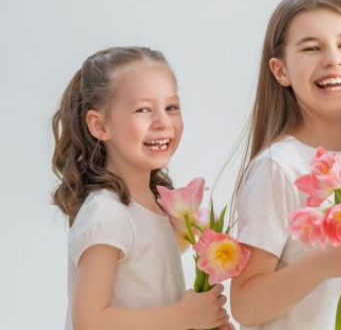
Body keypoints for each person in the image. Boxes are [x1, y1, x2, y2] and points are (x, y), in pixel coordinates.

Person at [230, 0, 341, 329]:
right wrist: (325, 263)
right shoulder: (278, 167)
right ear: (280, 71)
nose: (333, 59)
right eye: (311, 48)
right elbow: (245, 304)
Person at [52, 46, 229, 330]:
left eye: (171, 107)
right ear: (99, 126)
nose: (163, 123)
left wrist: (198, 320)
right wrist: (185, 316)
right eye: (143, 110)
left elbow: (147, 290)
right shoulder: (107, 212)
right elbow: (89, 321)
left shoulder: (154, 203)